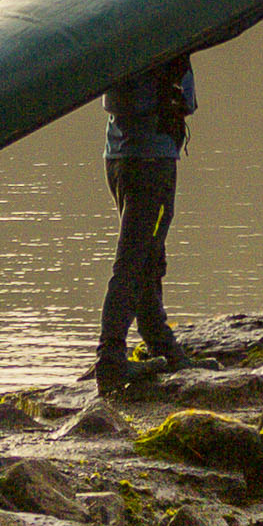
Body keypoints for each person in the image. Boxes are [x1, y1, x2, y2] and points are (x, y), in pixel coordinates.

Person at [97, 50, 190, 388]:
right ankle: (111, 358)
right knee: (135, 262)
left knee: (148, 256)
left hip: (120, 156)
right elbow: (185, 98)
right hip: (151, 160)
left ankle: (161, 345)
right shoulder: (161, 42)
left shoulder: (119, 41)